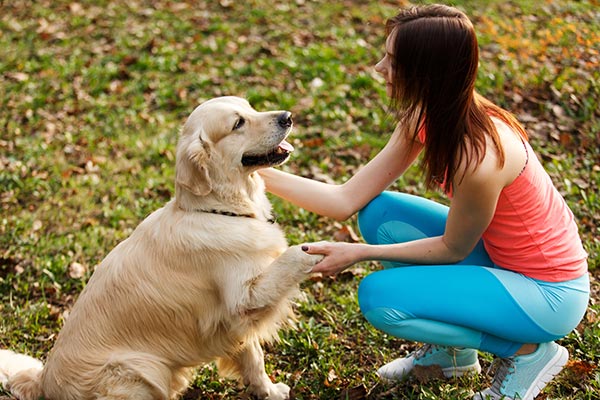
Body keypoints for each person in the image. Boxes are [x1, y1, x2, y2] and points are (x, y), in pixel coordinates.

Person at [259, 4, 590, 400]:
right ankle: (452, 356)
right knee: (379, 214)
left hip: (548, 295)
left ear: (428, 73)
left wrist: (358, 253)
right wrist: (252, 168)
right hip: (501, 262)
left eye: (393, 61)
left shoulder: (480, 158)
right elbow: (344, 199)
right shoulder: (425, 115)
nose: (379, 68)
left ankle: (526, 353)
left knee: (380, 298)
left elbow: (452, 249)